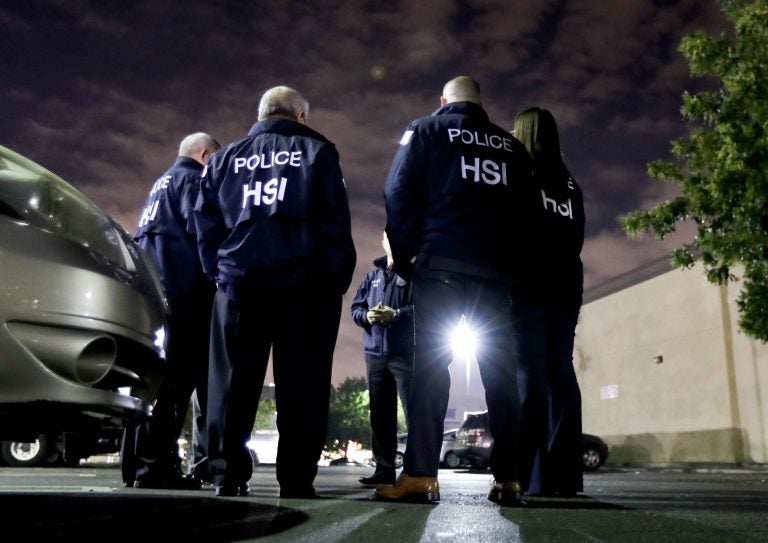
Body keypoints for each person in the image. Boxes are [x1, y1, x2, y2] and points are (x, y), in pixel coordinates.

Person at [375, 75, 535, 505]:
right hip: (495, 276)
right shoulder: (511, 146)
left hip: (441, 265)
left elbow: (398, 191)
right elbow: (529, 214)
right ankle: (510, 478)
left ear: (443, 100)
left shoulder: (426, 128)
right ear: (482, 103)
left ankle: (422, 475)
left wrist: (406, 257)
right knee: (501, 375)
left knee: (429, 369)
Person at [194, 85, 356, 498]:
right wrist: (336, 278)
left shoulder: (226, 158)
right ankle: (297, 478)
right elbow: (334, 222)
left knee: (232, 382)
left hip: (239, 283)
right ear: (300, 117)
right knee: (303, 383)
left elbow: (205, 220)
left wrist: (218, 269)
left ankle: (226, 474)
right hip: (304, 286)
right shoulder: (319, 153)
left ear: (263, 113)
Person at [124, 131, 220, 489]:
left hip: (154, 295)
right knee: (179, 386)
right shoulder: (192, 182)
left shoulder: (158, 186)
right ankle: (159, 467)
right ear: (206, 155)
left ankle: (136, 466)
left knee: (151, 384)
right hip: (186, 296)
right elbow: (206, 236)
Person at [511, 106, 585, 497]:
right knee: (561, 372)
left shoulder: (521, 172)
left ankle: (529, 474)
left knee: (529, 373)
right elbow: (577, 238)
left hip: (530, 284)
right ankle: (565, 475)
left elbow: (509, 229)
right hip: (567, 284)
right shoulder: (570, 183)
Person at [350, 230, 414, 486]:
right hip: (375, 355)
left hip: (406, 355)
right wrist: (366, 317)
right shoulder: (372, 276)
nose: (392, 240)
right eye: (388, 236)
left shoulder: (413, 276)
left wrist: (395, 314)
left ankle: (414, 469)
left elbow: (424, 309)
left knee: (413, 413)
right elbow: (356, 308)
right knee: (379, 413)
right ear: (383, 241)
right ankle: (384, 470)